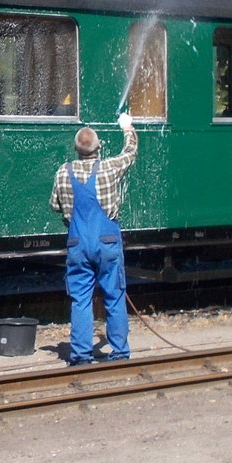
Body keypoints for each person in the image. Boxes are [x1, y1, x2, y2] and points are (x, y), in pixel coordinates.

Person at [49, 113, 139, 366]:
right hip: (107, 241)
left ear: (76, 149)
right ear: (98, 147)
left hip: (77, 243)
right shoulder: (109, 168)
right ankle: (119, 352)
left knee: (80, 299)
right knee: (114, 295)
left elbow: (54, 205)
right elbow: (130, 153)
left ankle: (80, 356)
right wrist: (127, 127)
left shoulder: (62, 172)